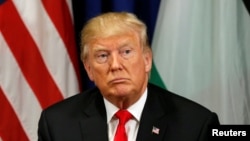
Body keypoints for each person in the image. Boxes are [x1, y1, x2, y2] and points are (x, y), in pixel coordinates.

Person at [38, 12, 220, 141]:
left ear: (147, 60)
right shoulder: (57, 124)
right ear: (89, 69)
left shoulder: (196, 124)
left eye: (126, 52)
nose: (115, 65)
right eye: (102, 55)